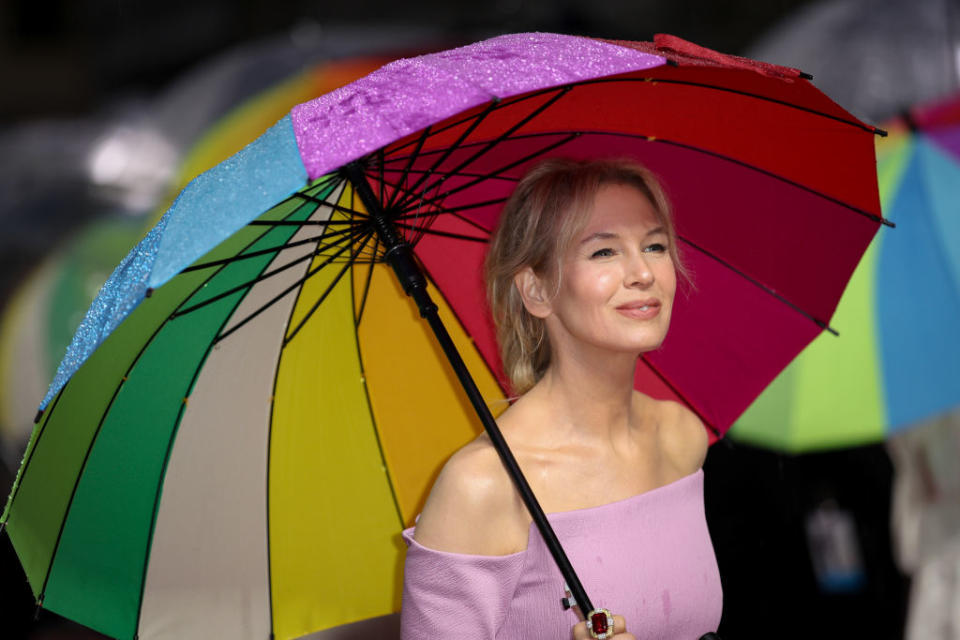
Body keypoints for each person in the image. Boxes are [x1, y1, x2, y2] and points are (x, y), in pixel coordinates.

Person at [400, 158, 722, 639]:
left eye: (654, 245)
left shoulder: (680, 437)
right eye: (603, 253)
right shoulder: (485, 488)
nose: (643, 273)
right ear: (536, 291)